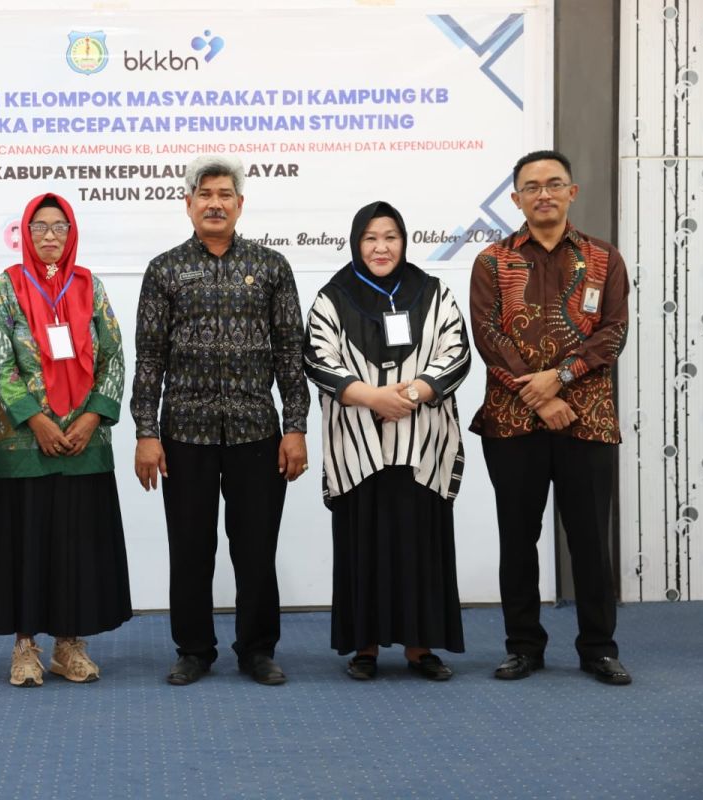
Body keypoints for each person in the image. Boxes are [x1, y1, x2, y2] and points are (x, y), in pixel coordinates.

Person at [131, 155, 310, 687]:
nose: (214, 202)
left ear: (239, 203)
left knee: (256, 548)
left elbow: (290, 356)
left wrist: (295, 426)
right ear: (188, 204)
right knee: (190, 547)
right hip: (185, 433)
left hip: (258, 431)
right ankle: (194, 649)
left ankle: (258, 649)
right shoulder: (165, 269)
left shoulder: (272, 266)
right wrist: (146, 432)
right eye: (204, 193)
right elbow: (149, 360)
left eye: (224, 194)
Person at [469, 150, 631, 685]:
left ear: (572, 193)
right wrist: (540, 396)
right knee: (517, 538)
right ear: (515, 198)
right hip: (512, 423)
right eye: (531, 186)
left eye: (554, 184)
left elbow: (613, 333)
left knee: (589, 539)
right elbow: (489, 337)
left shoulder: (604, 259)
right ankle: (522, 647)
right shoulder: (492, 262)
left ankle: (598, 648)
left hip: (587, 421)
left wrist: (559, 380)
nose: (544, 193)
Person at [304, 201, 471, 681]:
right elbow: (318, 359)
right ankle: (366, 646)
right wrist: (374, 397)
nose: (381, 247)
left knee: (421, 545)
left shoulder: (432, 292)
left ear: (404, 240)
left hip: (421, 444)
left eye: (391, 236)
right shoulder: (333, 297)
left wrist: (414, 392)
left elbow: (456, 353)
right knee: (364, 545)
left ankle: (421, 647)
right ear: (357, 242)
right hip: (360, 446)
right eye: (371, 238)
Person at [0, 193, 132, 687]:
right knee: (27, 540)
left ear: (71, 234)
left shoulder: (90, 286)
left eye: (59, 227)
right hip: (26, 446)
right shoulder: (6, 288)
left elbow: (113, 357)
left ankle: (69, 645)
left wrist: (91, 419)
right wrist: (37, 421)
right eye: (40, 227)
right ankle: (25, 648)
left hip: (85, 443)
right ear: (25, 233)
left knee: (76, 543)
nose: (49, 236)